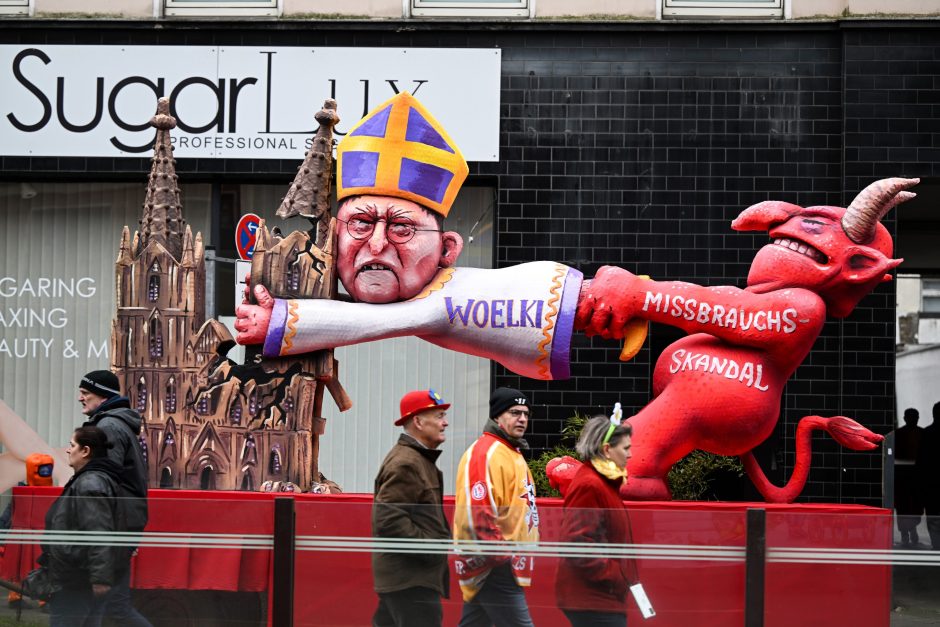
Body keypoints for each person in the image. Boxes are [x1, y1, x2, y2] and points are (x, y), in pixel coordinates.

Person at [234, 91, 587, 381]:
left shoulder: (448, 303)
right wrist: (283, 288)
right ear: (334, 236)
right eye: (360, 223)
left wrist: (284, 320)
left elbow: (398, 317)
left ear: (447, 249)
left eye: (402, 228)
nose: (376, 244)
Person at [452, 387, 539, 627]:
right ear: (497, 416)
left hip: (500, 561)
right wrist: (501, 557)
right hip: (495, 564)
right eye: (514, 412)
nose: (522, 418)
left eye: (526, 413)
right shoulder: (485, 453)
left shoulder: (512, 452)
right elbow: (477, 512)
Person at [371, 389, 452, 627]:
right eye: (438, 416)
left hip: (407, 578)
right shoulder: (407, 462)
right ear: (417, 421)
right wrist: (431, 549)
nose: (445, 422)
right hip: (411, 581)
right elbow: (388, 519)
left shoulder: (415, 459)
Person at [77, 370, 151, 627]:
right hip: (118, 526)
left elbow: (101, 481)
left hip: (112, 528)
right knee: (106, 607)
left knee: (108, 607)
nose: (80, 398)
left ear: (102, 396)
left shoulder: (107, 426)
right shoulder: (113, 423)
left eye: (85, 393)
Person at [41, 426, 129, 627]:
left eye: (72, 445)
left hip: (77, 581)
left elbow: (99, 533)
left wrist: (99, 579)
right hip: (82, 578)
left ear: (86, 451)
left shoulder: (90, 483)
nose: (67, 450)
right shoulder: (94, 480)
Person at [555, 415, 637, 627]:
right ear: (607, 450)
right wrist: (616, 576)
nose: (630, 454)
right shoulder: (591, 485)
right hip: (593, 599)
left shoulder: (603, 482)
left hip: (597, 597)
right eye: (625, 448)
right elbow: (578, 543)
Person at [894, 407, 924, 547]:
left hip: (904, 476)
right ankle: (910, 531)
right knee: (912, 506)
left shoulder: (898, 434)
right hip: (915, 475)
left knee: (905, 506)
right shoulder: (922, 434)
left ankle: (906, 532)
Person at [918, 402, 940, 550]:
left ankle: (936, 543)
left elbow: (921, 460)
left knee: (932, 514)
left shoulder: (926, 433)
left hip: (931, 482)